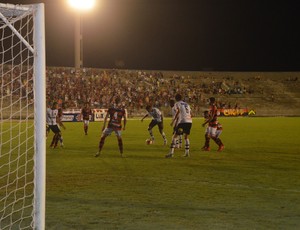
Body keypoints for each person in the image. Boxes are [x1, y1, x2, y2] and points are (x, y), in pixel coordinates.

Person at [166, 94, 192, 158]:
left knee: (174, 136)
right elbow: (190, 112)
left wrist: (173, 121)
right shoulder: (187, 104)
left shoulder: (177, 104)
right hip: (189, 121)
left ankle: (171, 153)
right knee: (186, 137)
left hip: (183, 121)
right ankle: (187, 153)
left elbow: (178, 111)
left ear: (175, 98)